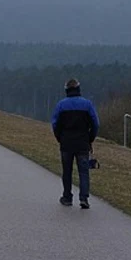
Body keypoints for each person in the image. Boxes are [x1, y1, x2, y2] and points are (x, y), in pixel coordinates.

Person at [51, 78, 99, 209]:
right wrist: (90, 138)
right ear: (78, 89)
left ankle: (67, 197)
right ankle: (84, 198)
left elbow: (55, 124)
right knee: (84, 172)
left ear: (66, 90)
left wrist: (59, 138)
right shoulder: (87, 104)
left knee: (67, 171)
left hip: (66, 143)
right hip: (83, 143)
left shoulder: (61, 105)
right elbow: (95, 123)